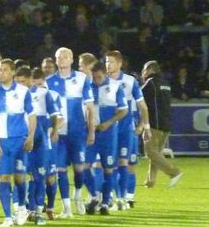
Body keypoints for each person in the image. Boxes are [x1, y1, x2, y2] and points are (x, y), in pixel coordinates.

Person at [0, 58, 36, 227]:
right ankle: (8, 216)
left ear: (13, 72)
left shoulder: (23, 91)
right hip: (1, 142)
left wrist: (30, 136)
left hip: (19, 140)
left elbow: (31, 115)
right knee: (4, 177)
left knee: (20, 177)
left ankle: (21, 207)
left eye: (5, 70)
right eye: (0, 70)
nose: (2, 73)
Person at [46, 47, 94, 217]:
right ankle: (66, 208)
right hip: (59, 134)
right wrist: (52, 129)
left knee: (79, 168)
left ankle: (78, 194)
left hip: (77, 131)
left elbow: (90, 107)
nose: (62, 59)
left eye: (66, 57)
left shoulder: (82, 79)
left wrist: (91, 131)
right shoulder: (49, 81)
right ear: (56, 60)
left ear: (72, 59)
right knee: (60, 170)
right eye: (59, 57)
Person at [105, 51, 151, 210]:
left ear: (119, 63)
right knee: (109, 165)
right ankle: (110, 196)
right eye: (106, 61)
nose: (107, 65)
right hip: (108, 130)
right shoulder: (101, 82)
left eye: (110, 61)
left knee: (126, 164)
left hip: (126, 129)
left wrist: (143, 126)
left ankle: (127, 197)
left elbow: (142, 106)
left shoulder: (130, 81)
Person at [16, 67, 61, 225]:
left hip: (41, 140)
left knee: (40, 176)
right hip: (21, 139)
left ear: (30, 80)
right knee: (20, 175)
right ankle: (23, 209)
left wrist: (55, 130)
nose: (20, 84)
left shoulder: (43, 93)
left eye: (23, 81)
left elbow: (55, 114)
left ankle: (38, 211)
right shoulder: (16, 95)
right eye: (18, 81)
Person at [82, 61, 128, 215]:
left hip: (108, 135)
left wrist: (108, 123)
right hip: (91, 133)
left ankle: (106, 203)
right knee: (83, 167)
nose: (96, 80)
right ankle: (95, 195)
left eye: (99, 77)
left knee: (108, 169)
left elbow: (123, 111)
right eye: (94, 77)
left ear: (105, 74)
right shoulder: (87, 86)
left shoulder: (115, 87)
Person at [140, 61, 182, 189]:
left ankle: (174, 172)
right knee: (156, 154)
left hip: (154, 124)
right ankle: (150, 181)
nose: (143, 72)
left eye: (144, 70)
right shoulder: (166, 84)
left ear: (150, 70)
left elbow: (138, 97)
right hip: (166, 124)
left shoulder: (151, 83)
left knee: (151, 152)